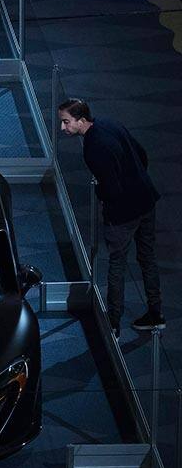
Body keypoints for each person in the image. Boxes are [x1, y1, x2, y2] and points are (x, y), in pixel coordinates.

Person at [58, 99, 164, 338]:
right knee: (148, 258)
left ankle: (113, 324)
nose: (63, 128)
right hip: (146, 200)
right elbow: (141, 154)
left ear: (81, 120)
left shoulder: (92, 148)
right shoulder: (111, 124)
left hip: (123, 215)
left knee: (116, 265)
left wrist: (101, 195)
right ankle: (155, 314)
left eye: (66, 122)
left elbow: (111, 190)